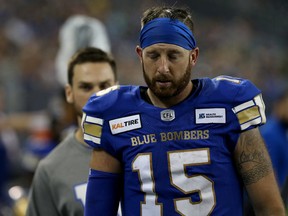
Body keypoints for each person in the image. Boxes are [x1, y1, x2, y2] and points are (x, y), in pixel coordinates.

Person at [82, 6, 285, 216]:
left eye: (173, 55)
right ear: (140, 55)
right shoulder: (112, 114)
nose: (163, 67)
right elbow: (98, 211)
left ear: (193, 56)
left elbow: (269, 208)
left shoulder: (231, 104)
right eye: (153, 55)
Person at [26, 47, 118, 216]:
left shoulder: (144, 150)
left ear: (117, 88)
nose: (97, 94)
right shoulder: (51, 170)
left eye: (105, 85)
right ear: (69, 93)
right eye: (86, 87)